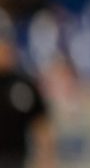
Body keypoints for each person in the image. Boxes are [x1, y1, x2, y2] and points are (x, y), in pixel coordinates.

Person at [0, 17, 57, 168]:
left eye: (6, 44)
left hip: (14, 157)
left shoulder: (23, 84)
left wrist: (46, 159)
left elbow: (41, 125)